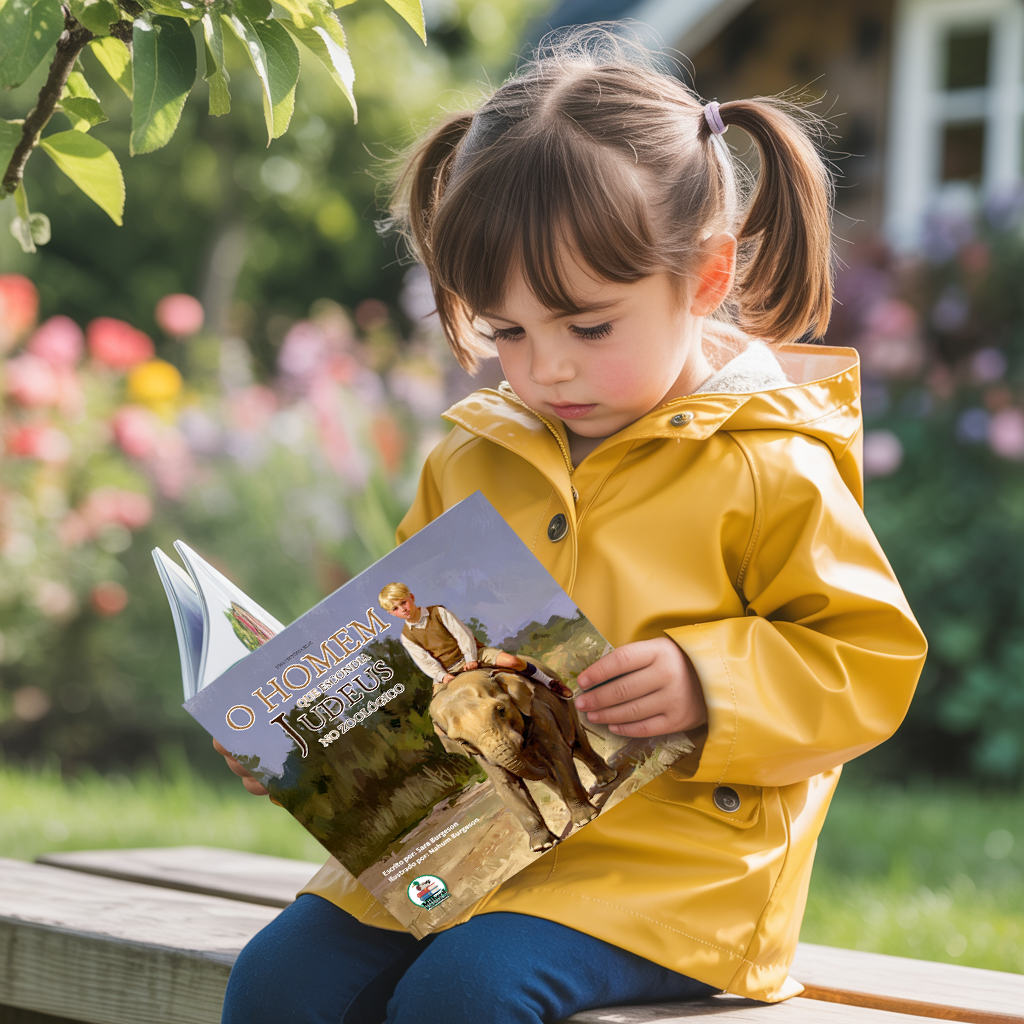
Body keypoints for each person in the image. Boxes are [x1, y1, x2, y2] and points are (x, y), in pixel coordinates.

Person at [218, 27, 927, 1024]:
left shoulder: (770, 462)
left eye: (587, 326)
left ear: (707, 278)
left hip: (665, 877)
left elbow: (867, 662)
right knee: (278, 981)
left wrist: (706, 681)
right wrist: (304, 736)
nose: (545, 368)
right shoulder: (471, 454)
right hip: (463, 838)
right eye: (505, 330)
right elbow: (405, 642)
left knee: (461, 998)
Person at [377, 581, 575, 698]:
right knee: (440, 711)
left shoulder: (437, 612)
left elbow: (462, 634)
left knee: (513, 661)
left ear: (411, 597)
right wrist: (442, 676)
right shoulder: (407, 636)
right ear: (391, 613)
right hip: (447, 670)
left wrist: (471, 658)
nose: (402, 609)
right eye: (395, 608)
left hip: (473, 655)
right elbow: (424, 661)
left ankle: (549, 682)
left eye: (403, 602)